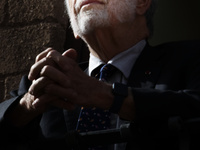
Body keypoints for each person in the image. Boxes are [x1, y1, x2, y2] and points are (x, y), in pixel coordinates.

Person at [0, 0, 200, 149]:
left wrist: (106, 95)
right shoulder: (43, 82)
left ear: (141, 3)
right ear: (74, 26)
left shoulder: (189, 59)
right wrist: (26, 106)